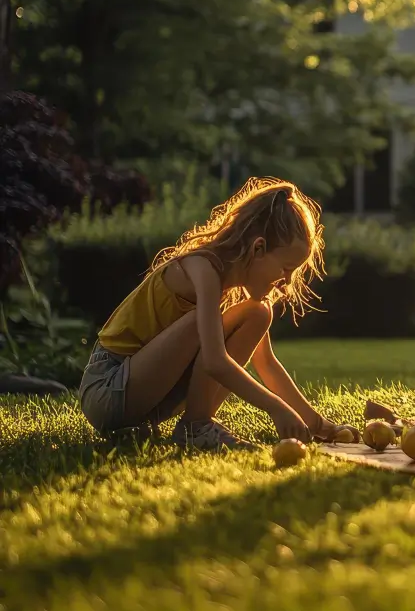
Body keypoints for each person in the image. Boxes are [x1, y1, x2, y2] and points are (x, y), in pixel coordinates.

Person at [79, 177, 358, 451]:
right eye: (286, 268)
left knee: (259, 314)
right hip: (108, 388)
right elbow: (214, 361)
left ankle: (193, 424)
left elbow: (267, 364)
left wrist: (319, 425)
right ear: (257, 248)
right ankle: (197, 427)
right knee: (213, 319)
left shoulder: (229, 288)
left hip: (148, 398)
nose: (286, 282)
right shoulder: (203, 269)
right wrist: (276, 408)